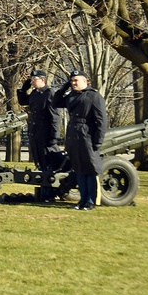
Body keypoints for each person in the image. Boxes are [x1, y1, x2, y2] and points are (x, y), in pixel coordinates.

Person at [53, 69, 109, 210]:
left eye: (76, 80)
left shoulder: (93, 96)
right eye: (72, 81)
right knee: (78, 169)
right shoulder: (71, 96)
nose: (73, 83)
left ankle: (90, 201)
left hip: (87, 136)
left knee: (90, 170)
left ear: (85, 81)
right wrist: (64, 86)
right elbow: (56, 102)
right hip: (74, 136)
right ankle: (82, 200)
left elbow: (102, 121)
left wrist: (98, 141)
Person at [17, 68, 63, 179]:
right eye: (31, 79)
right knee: (39, 160)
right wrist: (23, 90)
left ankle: (50, 188)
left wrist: (54, 136)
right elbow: (23, 101)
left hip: (45, 134)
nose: (32, 81)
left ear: (42, 80)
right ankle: (43, 186)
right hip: (35, 132)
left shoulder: (49, 94)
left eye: (34, 79)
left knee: (49, 162)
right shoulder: (35, 93)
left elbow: (55, 117)